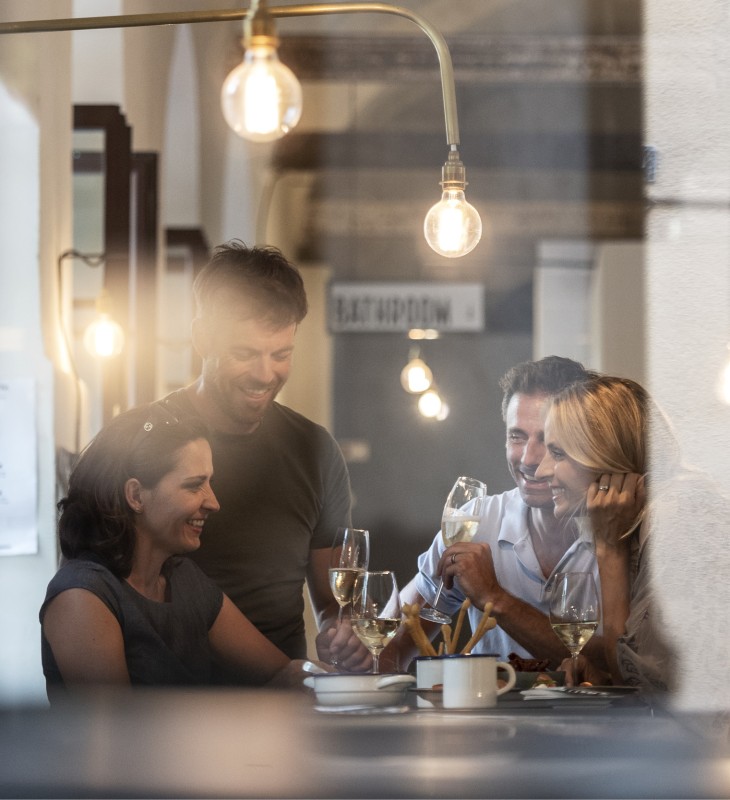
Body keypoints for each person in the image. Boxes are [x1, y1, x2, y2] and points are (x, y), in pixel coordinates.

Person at [160, 241, 368, 671]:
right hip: (171, 705)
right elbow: (93, 593)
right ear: (202, 338)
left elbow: (334, 604)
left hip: (281, 700)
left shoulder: (314, 449)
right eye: (245, 354)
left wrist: (342, 633)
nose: (265, 374)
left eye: (282, 354)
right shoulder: (144, 440)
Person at [40, 403, 316, 700]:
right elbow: (119, 736)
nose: (213, 502)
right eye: (195, 485)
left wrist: (341, 678)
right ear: (135, 495)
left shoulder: (181, 578)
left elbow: (281, 673)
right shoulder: (82, 596)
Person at [382, 356, 602, 671]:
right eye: (517, 436)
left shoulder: (615, 528)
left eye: (547, 439)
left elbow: (611, 665)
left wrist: (494, 596)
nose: (528, 458)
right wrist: (359, 648)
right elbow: (397, 637)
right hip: (492, 718)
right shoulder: (476, 522)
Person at [534, 375, 682, 690]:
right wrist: (605, 672)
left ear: (607, 457)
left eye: (558, 454)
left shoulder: (675, 520)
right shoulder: (647, 517)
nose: (540, 471)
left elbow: (645, 690)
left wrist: (609, 550)